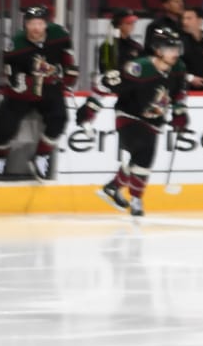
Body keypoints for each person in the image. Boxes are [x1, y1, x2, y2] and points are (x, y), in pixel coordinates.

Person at [79, 26, 188, 219]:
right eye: (170, 48)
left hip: (154, 119)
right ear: (158, 50)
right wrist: (88, 112)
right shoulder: (138, 68)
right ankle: (122, 191)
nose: (175, 53)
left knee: (144, 161)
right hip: (128, 115)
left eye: (176, 48)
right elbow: (105, 85)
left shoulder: (178, 68)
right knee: (141, 144)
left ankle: (121, 191)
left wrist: (180, 113)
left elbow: (179, 94)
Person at [0, 4, 74, 180]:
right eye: (32, 23)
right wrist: (17, 82)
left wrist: (69, 76)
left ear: (46, 24)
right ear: (25, 25)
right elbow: (10, 72)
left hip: (48, 87)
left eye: (40, 23)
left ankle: (41, 156)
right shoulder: (16, 45)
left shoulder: (59, 35)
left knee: (60, 118)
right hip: (23, 91)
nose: (36, 28)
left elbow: (67, 57)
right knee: (3, 126)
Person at [96, 9, 141, 79]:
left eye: (133, 23)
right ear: (119, 25)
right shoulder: (108, 46)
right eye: (128, 23)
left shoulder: (136, 46)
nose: (132, 26)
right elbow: (106, 71)